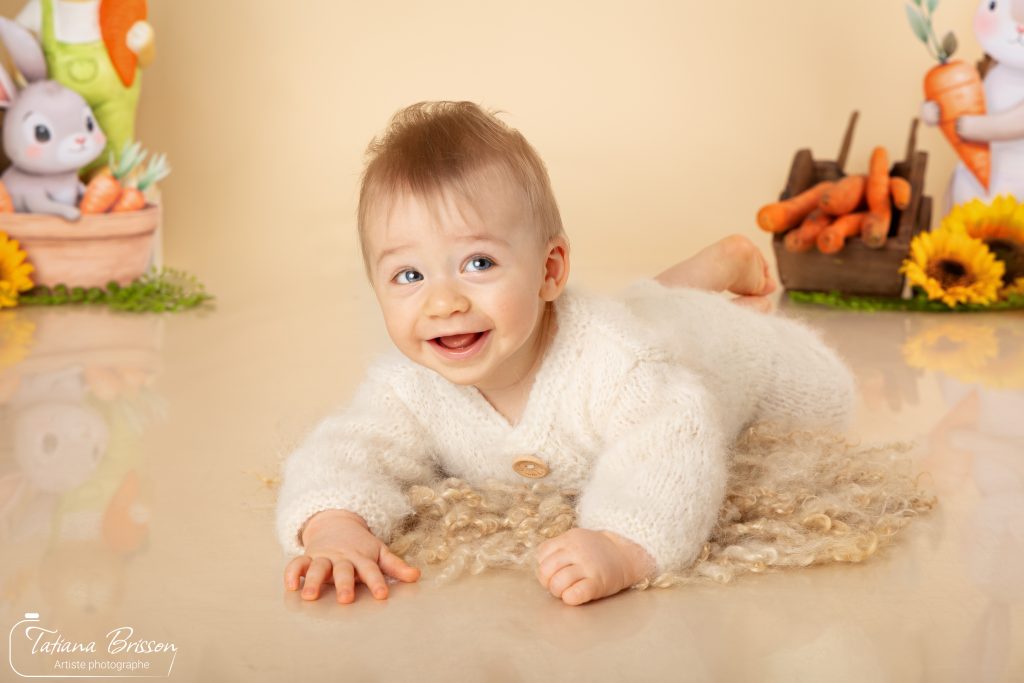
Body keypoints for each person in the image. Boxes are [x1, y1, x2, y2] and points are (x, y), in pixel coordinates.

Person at [275, 101, 856, 607]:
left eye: (479, 264)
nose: (444, 302)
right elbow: (346, 448)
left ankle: (707, 292)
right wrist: (333, 525)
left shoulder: (622, 364)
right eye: (407, 274)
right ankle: (692, 275)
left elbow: (675, 437)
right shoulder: (407, 383)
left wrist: (623, 544)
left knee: (823, 395)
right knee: (637, 312)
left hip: (722, 350)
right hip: (631, 320)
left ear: (549, 270)